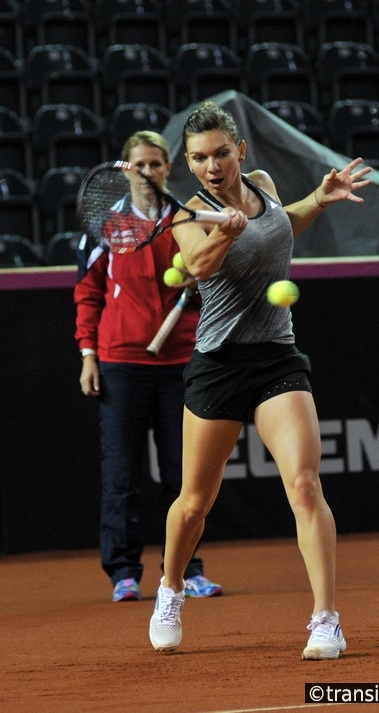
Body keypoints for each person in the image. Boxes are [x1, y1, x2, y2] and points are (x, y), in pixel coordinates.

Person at [148, 103, 372, 658]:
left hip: (276, 357)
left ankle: (326, 619)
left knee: (304, 483)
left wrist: (318, 199)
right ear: (190, 165)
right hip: (218, 365)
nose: (213, 165)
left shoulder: (264, 185)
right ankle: (170, 589)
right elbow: (198, 267)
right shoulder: (187, 215)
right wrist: (226, 230)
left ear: (240, 151)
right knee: (195, 503)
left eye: (222, 153)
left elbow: (281, 226)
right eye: (200, 158)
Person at [74, 130, 223, 602]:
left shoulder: (185, 221)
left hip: (182, 362)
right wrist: (88, 354)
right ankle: (123, 572)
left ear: (167, 171)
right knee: (121, 473)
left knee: (186, 475)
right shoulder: (106, 228)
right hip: (121, 364)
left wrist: (204, 285)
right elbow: (88, 294)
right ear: (126, 169)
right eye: (139, 164)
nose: (148, 172)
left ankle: (187, 571)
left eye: (156, 164)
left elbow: (216, 273)